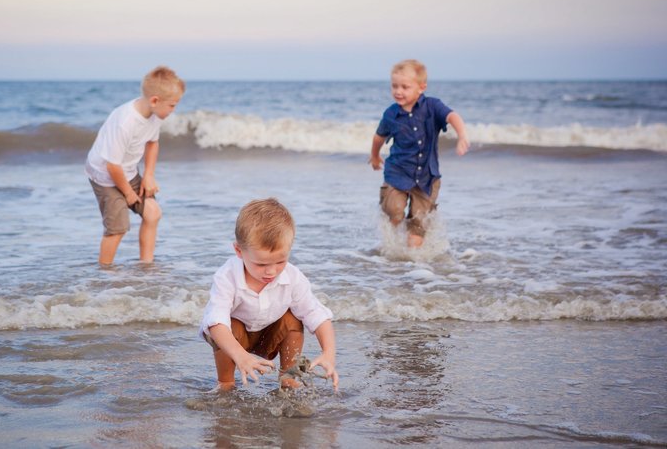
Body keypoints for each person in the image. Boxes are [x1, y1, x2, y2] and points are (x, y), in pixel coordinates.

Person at [199, 198, 339, 391]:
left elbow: (317, 315)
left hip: (270, 334)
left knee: (293, 319)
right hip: (234, 340)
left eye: (280, 261)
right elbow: (215, 323)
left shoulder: (292, 277)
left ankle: (288, 378)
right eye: (261, 264)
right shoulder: (227, 276)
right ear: (239, 250)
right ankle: (225, 382)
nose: (271, 272)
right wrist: (240, 356)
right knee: (226, 326)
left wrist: (328, 353)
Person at [85, 66, 185, 264]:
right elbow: (112, 165)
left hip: (128, 171)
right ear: (155, 100)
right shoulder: (125, 122)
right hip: (105, 175)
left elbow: (152, 143)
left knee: (153, 212)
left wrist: (148, 175)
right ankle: (104, 272)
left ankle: (146, 266)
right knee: (118, 228)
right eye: (172, 105)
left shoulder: (154, 115)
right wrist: (129, 194)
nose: (174, 110)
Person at [369, 59, 470, 248]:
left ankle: (412, 260)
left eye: (405, 87)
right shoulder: (391, 114)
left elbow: (452, 116)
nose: (398, 91)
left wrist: (462, 134)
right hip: (397, 173)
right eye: (394, 86)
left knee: (419, 221)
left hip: (427, 177)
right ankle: (391, 247)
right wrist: (374, 156)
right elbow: (378, 137)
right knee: (395, 210)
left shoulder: (433, 106)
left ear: (421, 87)